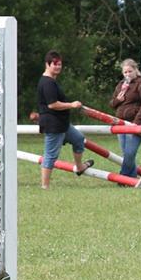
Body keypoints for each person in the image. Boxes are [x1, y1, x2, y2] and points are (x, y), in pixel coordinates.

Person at [36, 50, 94, 189]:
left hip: (62, 124)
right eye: (55, 64)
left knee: (79, 139)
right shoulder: (47, 83)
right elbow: (52, 104)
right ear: (47, 64)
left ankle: (79, 167)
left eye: (60, 64)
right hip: (53, 124)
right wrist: (71, 105)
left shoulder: (52, 81)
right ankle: (45, 186)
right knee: (51, 155)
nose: (58, 67)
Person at [109, 58, 141, 178]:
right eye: (125, 72)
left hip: (136, 122)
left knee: (130, 152)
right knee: (126, 153)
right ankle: (132, 178)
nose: (127, 74)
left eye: (130, 71)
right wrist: (118, 100)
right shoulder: (121, 85)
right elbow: (112, 104)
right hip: (121, 123)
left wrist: (136, 122)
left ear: (136, 70)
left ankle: (123, 177)